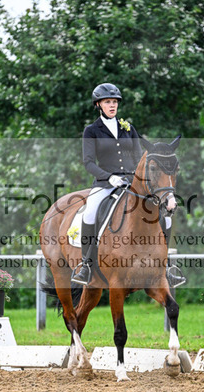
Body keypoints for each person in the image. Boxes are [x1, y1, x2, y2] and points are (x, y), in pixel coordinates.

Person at [71, 83, 144, 285]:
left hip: (131, 183)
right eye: (107, 102)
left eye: (114, 102)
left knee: (161, 210)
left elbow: (139, 158)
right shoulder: (91, 130)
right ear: (98, 105)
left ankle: (167, 265)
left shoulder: (128, 128)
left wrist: (136, 178)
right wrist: (109, 177)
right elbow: (88, 163)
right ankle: (86, 265)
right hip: (105, 184)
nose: (112, 105)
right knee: (89, 212)